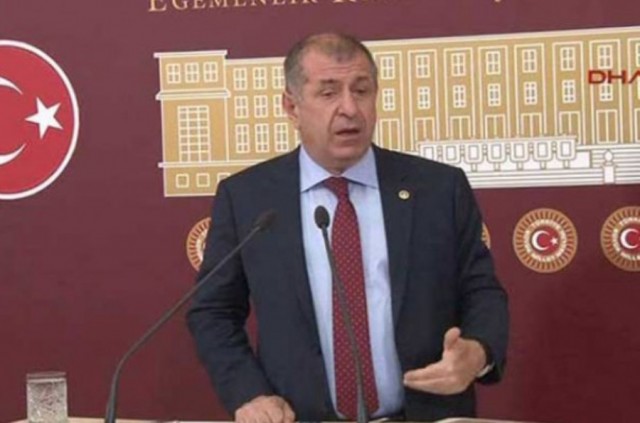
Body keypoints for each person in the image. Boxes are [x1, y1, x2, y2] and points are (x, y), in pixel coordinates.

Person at [187, 32, 509, 423]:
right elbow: (214, 310)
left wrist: (478, 352)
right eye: (328, 93)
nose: (350, 109)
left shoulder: (438, 188)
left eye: (361, 90)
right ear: (291, 106)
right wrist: (248, 393)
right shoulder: (248, 198)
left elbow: (481, 289)